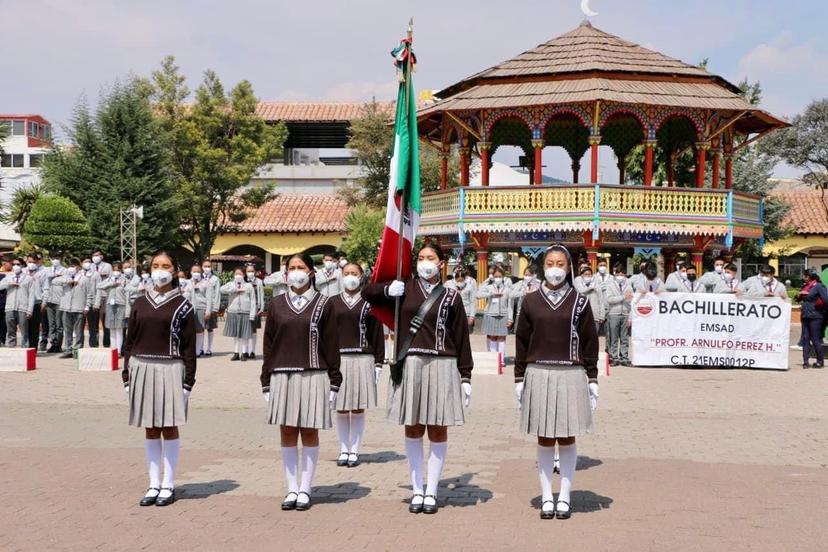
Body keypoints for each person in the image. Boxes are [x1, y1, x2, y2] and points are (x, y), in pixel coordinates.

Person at [363, 242, 473, 515]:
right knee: (413, 428)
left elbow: (461, 338)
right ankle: (417, 489)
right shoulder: (404, 288)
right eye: (421, 257)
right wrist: (387, 289)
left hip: (442, 363)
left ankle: (432, 490)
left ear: (440, 263)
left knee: (437, 428)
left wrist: (466, 375)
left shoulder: (451, 296)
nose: (425, 262)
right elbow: (366, 292)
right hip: (410, 362)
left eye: (431, 257)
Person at [514, 244, 599, 520]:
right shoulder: (530, 301)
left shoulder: (580, 302)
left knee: (566, 435)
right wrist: (518, 377)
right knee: (544, 436)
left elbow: (589, 342)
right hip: (538, 372)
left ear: (569, 267)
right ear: (542, 267)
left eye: (560, 263)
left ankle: (565, 495)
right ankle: (546, 496)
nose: (554, 268)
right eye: (550, 263)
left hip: (571, 373)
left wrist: (593, 378)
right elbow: (522, 341)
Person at [261, 252, 342, 512]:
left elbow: (331, 344)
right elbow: (269, 344)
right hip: (282, 373)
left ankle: (305, 488)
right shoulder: (276, 305)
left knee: (308, 430)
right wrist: (266, 380)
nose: (296, 271)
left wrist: (334, 380)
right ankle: (291, 487)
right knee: (286, 431)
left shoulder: (324, 303)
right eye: (291, 267)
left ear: (311, 272)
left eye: (301, 266)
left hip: (314, 373)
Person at [123, 251, 196, 507]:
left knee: (168, 426)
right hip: (141, 366)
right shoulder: (139, 303)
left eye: (166, 265)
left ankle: (168, 484)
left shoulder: (184, 305)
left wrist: (188, 382)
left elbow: (189, 347)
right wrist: (126, 375)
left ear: (175, 270)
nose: (160, 270)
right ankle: (153, 483)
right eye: (156, 265)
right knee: (150, 427)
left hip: (171, 368)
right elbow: (129, 341)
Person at [331, 263, 384, 468]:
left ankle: (355, 449)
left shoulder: (370, 303)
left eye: (354, 273)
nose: (350, 277)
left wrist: (379, 362)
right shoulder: (332, 303)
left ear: (362, 276)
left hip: (363, 358)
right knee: (342, 408)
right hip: (339, 359)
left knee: (358, 407)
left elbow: (377, 333)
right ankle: (343, 448)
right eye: (346, 274)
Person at [54, 259, 94, 359]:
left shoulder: (84, 279)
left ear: (78, 267)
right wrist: (67, 281)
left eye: (73, 266)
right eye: (70, 266)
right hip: (66, 308)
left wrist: (87, 306)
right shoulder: (65, 278)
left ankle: (77, 350)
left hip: (79, 308)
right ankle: (68, 350)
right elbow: (54, 281)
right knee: (67, 331)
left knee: (79, 331)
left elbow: (89, 294)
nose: (71, 268)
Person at [220, 267, 257, 361]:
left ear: (244, 275)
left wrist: (252, 313)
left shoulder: (248, 286)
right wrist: (233, 289)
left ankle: (244, 353)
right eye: (236, 274)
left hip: (245, 312)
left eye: (240, 274)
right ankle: (236, 353)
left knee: (245, 334)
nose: (238, 276)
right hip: (233, 312)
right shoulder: (230, 284)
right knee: (235, 334)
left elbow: (253, 301)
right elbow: (221, 289)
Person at [0, 258, 36, 347]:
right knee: (10, 331)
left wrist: (30, 310)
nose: (16, 266)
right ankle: (11, 349)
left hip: (23, 308)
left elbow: (32, 296)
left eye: (18, 264)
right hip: (10, 307)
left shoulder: (28, 278)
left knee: (24, 332)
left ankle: (25, 350)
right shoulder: (8, 277)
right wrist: (9, 284)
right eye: (14, 264)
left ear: (22, 265)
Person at [478, 265, 512, 358]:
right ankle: (493, 358)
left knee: (502, 337)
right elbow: (478, 294)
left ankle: (501, 359)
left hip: (503, 316)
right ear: (493, 277)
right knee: (492, 337)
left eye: (499, 276)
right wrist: (490, 293)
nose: (498, 278)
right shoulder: (489, 287)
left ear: (503, 277)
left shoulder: (507, 289)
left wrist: (510, 319)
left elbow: (510, 306)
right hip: (491, 315)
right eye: (496, 276)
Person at [97, 262, 129, 358]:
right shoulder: (108, 280)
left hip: (121, 305)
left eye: (118, 270)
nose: (116, 272)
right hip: (110, 305)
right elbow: (98, 286)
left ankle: (119, 351)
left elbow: (128, 294)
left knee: (119, 329)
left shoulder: (125, 280)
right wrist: (111, 284)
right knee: (111, 329)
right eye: (114, 270)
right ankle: (113, 350)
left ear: (121, 271)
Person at [797, 270, 828, 368]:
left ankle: (820, 361)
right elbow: (799, 299)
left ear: (809, 276)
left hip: (816, 315)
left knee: (815, 339)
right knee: (805, 338)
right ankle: (805, 361)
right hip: (805, 315)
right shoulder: (804, 286)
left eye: (804, 276)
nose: (803, 277)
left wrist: (818, 304)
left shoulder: (819, 286)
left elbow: (826, 300)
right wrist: (799, 296)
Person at [604, 263, 633, 366]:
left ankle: (624, 357)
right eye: (618, 274)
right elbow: (609, 299)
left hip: (625, 313)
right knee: (613, 337)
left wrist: (630, 316)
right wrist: (623, 297)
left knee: (625, 337)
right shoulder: (610, 285)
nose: (620, 276)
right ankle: (614, 357)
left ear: (625, 274)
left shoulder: (628, 285)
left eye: (622, 274)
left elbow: (631, 300)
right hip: (613, 314)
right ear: (615, 274)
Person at [184, 265, 213, 358]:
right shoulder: (188, 282)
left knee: (199, 330)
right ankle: (193, 349)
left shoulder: (206, 283)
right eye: (194, 271)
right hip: (190, 308)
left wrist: (208, 311)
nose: (196, 273)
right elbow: (185, 294)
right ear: (191, 272)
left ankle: (197, 351)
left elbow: (209, 298)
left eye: (198, 271)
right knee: (190, 330)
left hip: (201, 308)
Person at [88, 250, 112, 348]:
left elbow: (111, 279)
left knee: (105, 320)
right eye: (93, 255)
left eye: (97, 255)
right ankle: (93, 343)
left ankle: (106, 343)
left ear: (101, 256)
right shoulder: (90, 266)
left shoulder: (108, 266)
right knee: (93, 321)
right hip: (93, 296)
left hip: (105, 295)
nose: (95, 257)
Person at [43, 252, 65, 353]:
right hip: (49, 300)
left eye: (56, 258)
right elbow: (44, 284)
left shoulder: (65, 270)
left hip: (60, 300)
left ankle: (58, 344)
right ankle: (53, 344)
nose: (55, 260)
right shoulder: (47, 270)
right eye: (53, 258)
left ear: (60, 259)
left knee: (59, 324)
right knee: (51, 324)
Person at [26, 253, 48, 352]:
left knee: (35, 328)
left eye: (33, 262)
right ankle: (25, 349)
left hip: (37, 303)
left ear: (37, 262)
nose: (31, 264)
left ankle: (33, 350)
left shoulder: (42, 273)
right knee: (25, 328)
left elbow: (46, 288)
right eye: (29, 262)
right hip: (24, 304)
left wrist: (44, 302)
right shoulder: (23, 272)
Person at [573, 266, 606, 333]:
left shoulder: (597, 285)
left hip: (595, 316)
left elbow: (601, 301)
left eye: (589, 274)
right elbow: (580, 291)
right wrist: (590, 288)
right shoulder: (578, 282)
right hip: (581, 315)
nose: (588, 276)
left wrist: (602, 315)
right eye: (585, 274)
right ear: (581, 275)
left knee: (594, 338)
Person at [445, 268, 477, 332]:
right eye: (458, 280)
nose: (460, 282)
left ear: (464, 279)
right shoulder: (449, 285)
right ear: (455, 279)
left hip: (466, 312)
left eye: (461, 280)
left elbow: (472, 302)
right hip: (452, 312)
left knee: (464, 333)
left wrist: (472, 316)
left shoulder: (469, 287)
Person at [200, 260, 221, 356]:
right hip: (200, 306)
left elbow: (217, 294)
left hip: (211, 307)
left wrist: (215, 308)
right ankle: (200, 348)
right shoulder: (198, 278)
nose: (207, 268)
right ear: (202, 267)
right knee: (200, 328)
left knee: (210, 328)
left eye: (208, 266)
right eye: (205, 266)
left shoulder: (215, 279)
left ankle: (209, 348)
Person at [247, 263, 265, 360]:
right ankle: (245, 351)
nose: (250, 273)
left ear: (255, 272)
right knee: (245, 330)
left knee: (253, 330)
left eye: (252, 271)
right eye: (248, 271)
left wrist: (261, 308)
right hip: (245, 309)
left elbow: (261, 295)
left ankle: (252, 351)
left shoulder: (258, 281)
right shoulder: (243, 281)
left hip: (256, 309)